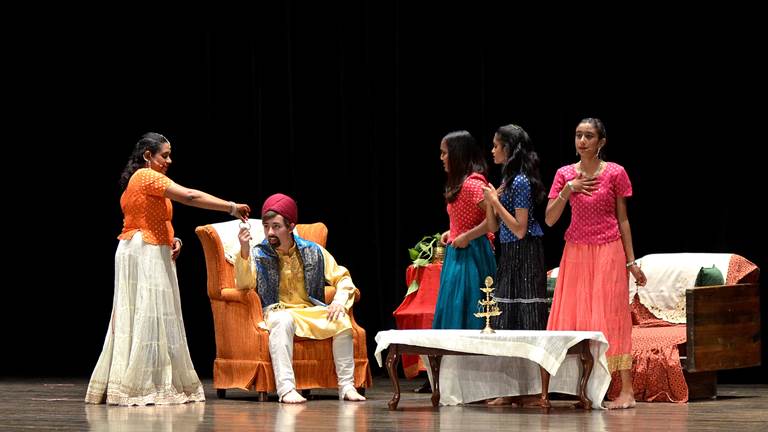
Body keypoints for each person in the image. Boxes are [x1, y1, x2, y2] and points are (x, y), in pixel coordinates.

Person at [86, 132, 251, 406]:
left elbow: (154, 218)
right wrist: (230, 207)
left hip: (146, 247)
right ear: (147, 156)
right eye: (164, 155)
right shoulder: (145, 176)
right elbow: (190, 196)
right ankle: (139, 384)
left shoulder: (141, 181)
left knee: (152, 315)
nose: (169, 160)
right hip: (143, 250)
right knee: (147, 314)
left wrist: (174, 240)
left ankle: (146, 380)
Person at [544, 118, 647, 409]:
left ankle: (626, 391)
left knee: (612, 315)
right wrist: (569, 189)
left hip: (608, 250)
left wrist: (631, 262)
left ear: (601, 142)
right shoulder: (564, 174)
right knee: (575, 316)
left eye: (589, 136)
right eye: (578, 135)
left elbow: (623, 220)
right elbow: (550, 219)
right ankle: (582, 389)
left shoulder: (615, 172)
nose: (582, 141)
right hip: (576, 251)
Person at [234, 193, 366, 404]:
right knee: (283, 320)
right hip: (277, 311)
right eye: (266, 226)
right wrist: (244, 250)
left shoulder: (313, 251)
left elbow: (343, 278)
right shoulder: (258, 253)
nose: (270, 232)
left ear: (291, 226)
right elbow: (244, 284)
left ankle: (347, 386)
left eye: (276, 226)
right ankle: (286, 389)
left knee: (341, 320)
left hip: (309, 311)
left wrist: (339, 301)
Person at [482, 124, 549, 331]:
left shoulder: (520, 181)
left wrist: (495, 202)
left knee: (526, 314)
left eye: (496, 146)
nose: (492, 151)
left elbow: (520, 229)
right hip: (510, 251)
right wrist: (491, 203)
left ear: (508, 148)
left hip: (525, 251)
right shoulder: (508, 180)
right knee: (505, 313)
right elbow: (493, 227)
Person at [432, 131, 496, 330]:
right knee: (453, 306)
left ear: (457, 153)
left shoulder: (473, 184)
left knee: (467, 305)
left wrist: (467, 236)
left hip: (472, 254)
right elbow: (468, 218)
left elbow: (493, 220)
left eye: (444, 153)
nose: (441, 157)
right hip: (458, 252)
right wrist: (452, 231)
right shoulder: (461, 183)